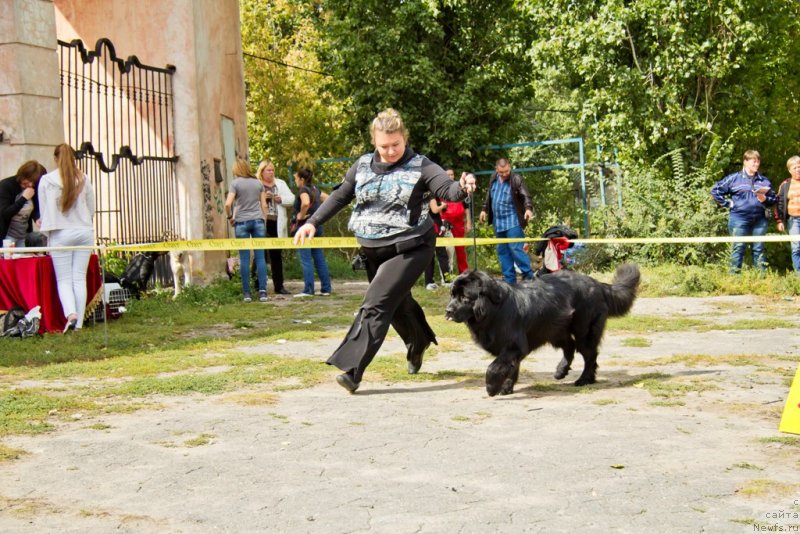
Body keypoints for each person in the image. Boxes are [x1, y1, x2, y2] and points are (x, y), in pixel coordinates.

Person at [293, 108, 477, 393]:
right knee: (397, 305)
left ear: (404, 138)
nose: (390, 151)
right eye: (384, 146)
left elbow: (447, 189)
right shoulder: (363, 164)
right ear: (374, 142)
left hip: (412, 248)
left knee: (376, 302)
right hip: (373, 252)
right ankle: (418, 341)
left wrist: (462, 188)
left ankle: (353, 369)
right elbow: (342, 195)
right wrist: (313, 222)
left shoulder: (421, 165)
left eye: (396, 145)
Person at [38, 144, 95, 332]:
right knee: (79, 278)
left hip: (60, 232)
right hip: (83, 231)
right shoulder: (84, 179)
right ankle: (78, 325)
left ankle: (71, 314)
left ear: (55, 159)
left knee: (64, 279)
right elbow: (91, 207)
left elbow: (44, 211)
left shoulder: (47, 180)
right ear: (74, 158)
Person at [711, 150, 777, 273]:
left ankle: (761, 278)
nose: (756, 164)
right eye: (754, 161)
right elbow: (715, 190)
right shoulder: (733, 179)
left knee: (759, 248)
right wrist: (728, 203)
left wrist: (765, 198)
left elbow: (774, 199)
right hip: (739, 219)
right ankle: (734, 278)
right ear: (745, 162)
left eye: (758, 161)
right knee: (738, 247)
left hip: (760, 220)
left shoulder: (764, 181)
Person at [479, 158, 534, 283]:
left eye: (506, 171)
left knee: (516, 250)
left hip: (513, 222)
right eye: (501, 172)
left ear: (510, 167)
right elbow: (489, 196)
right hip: (498, 223)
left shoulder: (516, 179)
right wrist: (484, 209)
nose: (504, 174)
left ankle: (529, 278)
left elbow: (525, 195)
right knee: (503, 252)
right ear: (496, 169)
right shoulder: (493, 178)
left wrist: (528, 209)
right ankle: (509, 282)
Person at [225, 158, 269, 303]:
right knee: (260, 257)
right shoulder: (258, 183)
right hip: (258, 222)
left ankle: (247, 294)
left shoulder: (235, 183)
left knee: (244, 259)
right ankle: (263, 292)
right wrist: (264, 220)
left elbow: (227, 204)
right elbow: (264, 205)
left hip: (241, 223)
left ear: (237, 169)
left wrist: (230, 217)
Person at [256, 159, 294, 295]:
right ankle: (257, 284)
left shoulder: (280, 183)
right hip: (261, 222)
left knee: (276, 256)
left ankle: (279, 286)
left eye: (273, 170)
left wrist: (280, 199)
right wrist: (262, 198)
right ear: (262, 171)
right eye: (268, 170)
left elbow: (292, 199)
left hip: (277, 222)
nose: (271, 172)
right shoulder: (256, 184)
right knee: (259, 254)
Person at [292, 168, 332, 298]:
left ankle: (308, 290)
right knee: (319, 257)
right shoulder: (315, 189)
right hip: (317, 226)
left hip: (305, 227)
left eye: (296, 179)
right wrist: (321, 214)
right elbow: (330, 199)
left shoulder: (303, 190)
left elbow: (305, 203)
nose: (295, 181)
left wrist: (300, 216)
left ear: (302, 179)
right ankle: (326, 288)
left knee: (306, 259)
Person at [0, 160, 46, 246]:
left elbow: (35, 208)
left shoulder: (33, 188)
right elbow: (4, 213)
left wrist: (37, 218)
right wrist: (23, 198)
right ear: (22, 175)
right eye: (28, 180)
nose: (30, 184)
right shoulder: (6, 185)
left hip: (23, 235)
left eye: (33, 182)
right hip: (6, 236)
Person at [440, 167, 471, 273]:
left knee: (460, 249)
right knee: (447, 251)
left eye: (451, 174)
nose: (450, 177)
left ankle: (464, 272)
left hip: (459, 223)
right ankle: (448, 274)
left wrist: (468, 222)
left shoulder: (460, 188)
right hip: (445, 224)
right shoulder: (440, 189)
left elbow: (467, 208)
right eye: (447, 175)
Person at [774, 155, 800, 272]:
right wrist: (779, 220)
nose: (798, 169)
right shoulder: (785, 185)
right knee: (796, 248)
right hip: (793, 220)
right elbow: (779, 203)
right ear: (789, 170)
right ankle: (798, 276)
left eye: (799, 167)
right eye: (795, 168)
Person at [423, 197, 452, 290]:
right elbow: (435, 210)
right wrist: (443, 205)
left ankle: (430, 282)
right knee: (441, 254)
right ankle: (446, 281)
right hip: (434, 228)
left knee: (431, 256)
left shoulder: (426, 196)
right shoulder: (431, 196)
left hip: (429, 227)